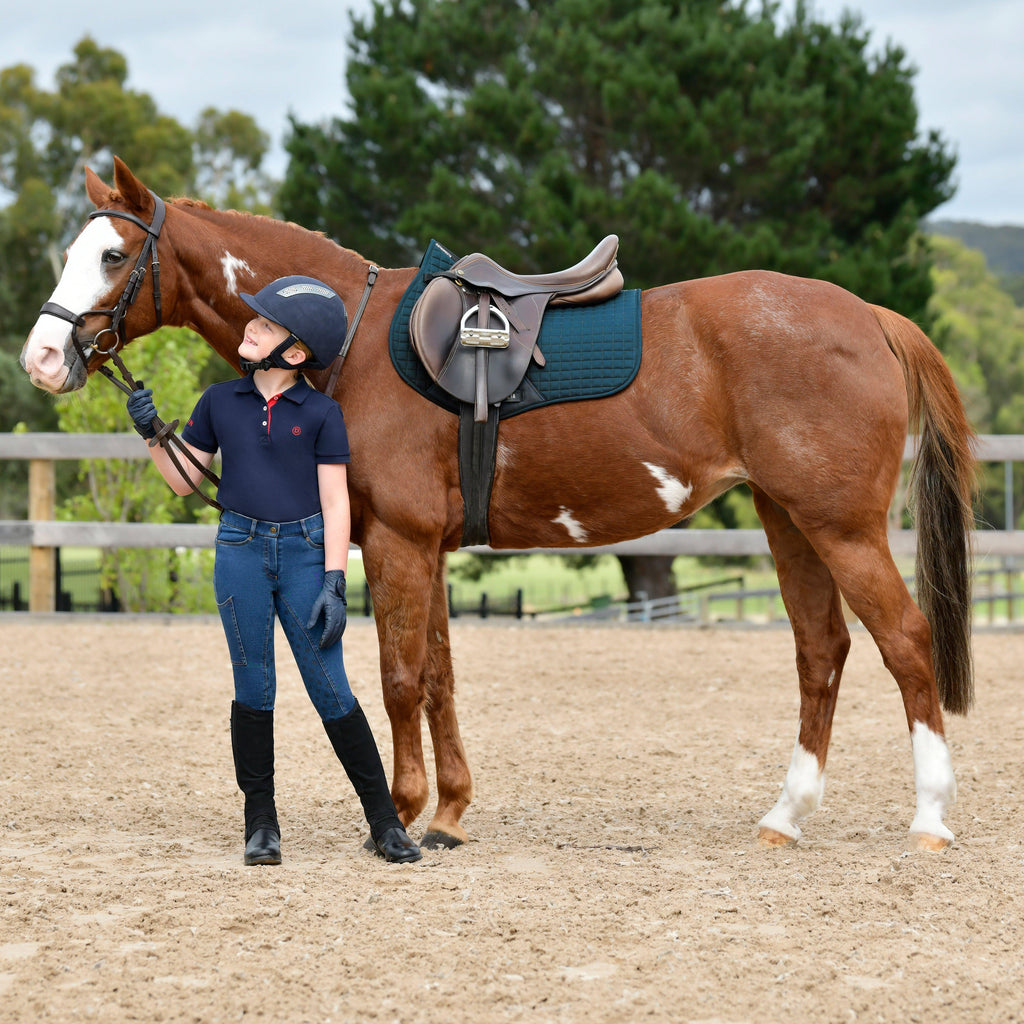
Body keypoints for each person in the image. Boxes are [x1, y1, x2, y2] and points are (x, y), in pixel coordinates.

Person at [125, 275, 421, 867]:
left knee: (331, 688)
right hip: (239, 550)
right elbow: (184, 481)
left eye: (264, 324)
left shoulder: (321, 412)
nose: (249, 326)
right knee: (253, 687)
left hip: (308, 553)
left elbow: (336, 503)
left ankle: (385, 823)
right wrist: (153, 433)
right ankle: (261, 823)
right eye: (254, 319)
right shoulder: (217, 402)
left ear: (295, 351)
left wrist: (337, 581)